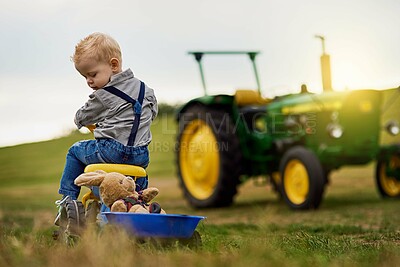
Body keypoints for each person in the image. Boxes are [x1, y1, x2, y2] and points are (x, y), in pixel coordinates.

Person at [55, 32, 158, 223]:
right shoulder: (146, 90)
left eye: (92, 74)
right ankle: (138, 207)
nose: (89, 81)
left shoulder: (103, 95)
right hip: (141, 155)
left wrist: (85, 122)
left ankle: (67, 199)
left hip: (111, 150)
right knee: (135, 187)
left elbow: (81, 117)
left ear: (114, 65)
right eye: (85, 76)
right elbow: (152, 114)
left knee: (75, 151)